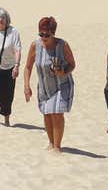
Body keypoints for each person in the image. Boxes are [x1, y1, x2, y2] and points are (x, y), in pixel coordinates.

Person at [23, 17, 76, 153]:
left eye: (47, 34)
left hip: (62, 85)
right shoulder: (35, 46)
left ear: (53, 33)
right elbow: (28, 67)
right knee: (47, 114)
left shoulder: (62, 45)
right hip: (44, 87)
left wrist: (63, 71)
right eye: (41, 34)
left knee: (56, 113)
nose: (44, 37)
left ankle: (57, 146)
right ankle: (51, 143)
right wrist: (26, 86)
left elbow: (72, 64)